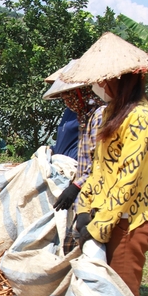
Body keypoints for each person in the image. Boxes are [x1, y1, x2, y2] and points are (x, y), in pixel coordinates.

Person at [60, 32, 148, 296]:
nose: (98, 85)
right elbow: (100, 169)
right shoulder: (111, 113)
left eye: (103, 80)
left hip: (130, 220)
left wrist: (99, 226)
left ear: (121, 80)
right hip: (105, 213)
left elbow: (127, 179)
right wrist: (85, 207)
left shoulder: (141, 118)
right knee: (100, 291)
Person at [43, 60, 106, 211]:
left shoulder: (99, 115)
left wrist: (77, 185)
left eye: (68, 96)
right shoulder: (83, 115)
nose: (66, 101)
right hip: (80, 183)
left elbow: (99, 159)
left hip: (92, 189)